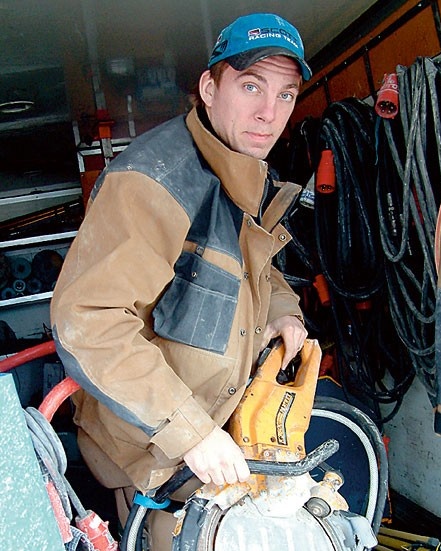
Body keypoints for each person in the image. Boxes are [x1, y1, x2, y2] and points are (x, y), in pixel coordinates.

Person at [50, 12, 312, 549]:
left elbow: (250, 267)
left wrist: (282, 307)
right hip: (147, 451)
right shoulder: (156, 182)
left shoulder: (241, 167)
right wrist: (190, 431)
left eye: (285, 95)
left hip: (208, 430)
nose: (269, 112)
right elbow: (88, 320)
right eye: (251, 86)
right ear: (209, 88)